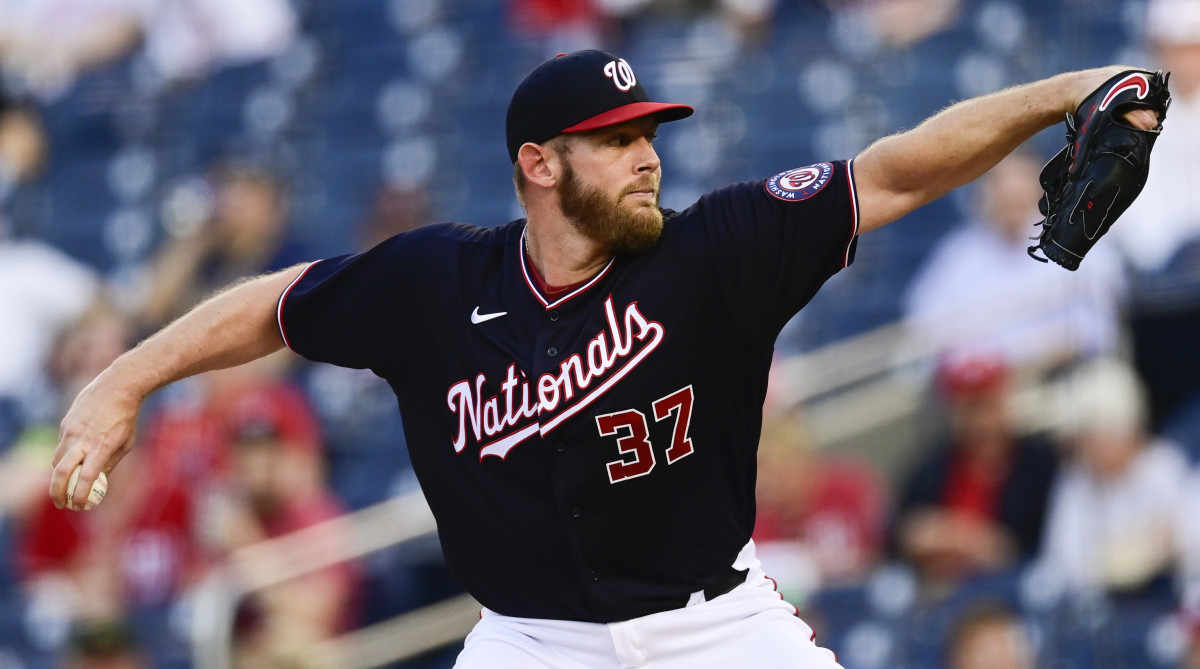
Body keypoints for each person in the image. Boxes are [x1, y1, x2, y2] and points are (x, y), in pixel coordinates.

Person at [49, 49, 1162, 667]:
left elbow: (898, 171)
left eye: (651, 136)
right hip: (532, 644)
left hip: (715, 629)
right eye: (618, 139)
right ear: (540, 163)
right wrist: (122, 378)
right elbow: (276, 306)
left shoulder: (719, 248)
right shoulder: (436, 282)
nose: (646, 158)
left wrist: (1062, 95)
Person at [893, 356, 1058, 591]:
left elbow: (1050, 545)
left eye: (987, 405)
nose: (980, 423)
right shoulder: (929, 470)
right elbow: (903, 536)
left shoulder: (1040, 464)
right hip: (943, 596)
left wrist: (993, 546)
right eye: (970, 409)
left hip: (1018, 590)